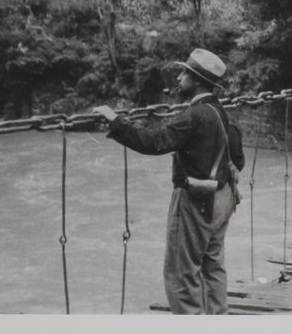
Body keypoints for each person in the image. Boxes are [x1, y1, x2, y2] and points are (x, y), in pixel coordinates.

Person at [93, 48, 245, 314]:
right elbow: (238, 159)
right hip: (222, 200)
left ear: (196, 80)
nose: (178, 78)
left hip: (195, 203)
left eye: (184, 73)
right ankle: (218, 326)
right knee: (213, 266)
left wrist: (116, 121)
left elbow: (154, 142)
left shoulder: (194, 116)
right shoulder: (220, 112)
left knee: (181, 275)